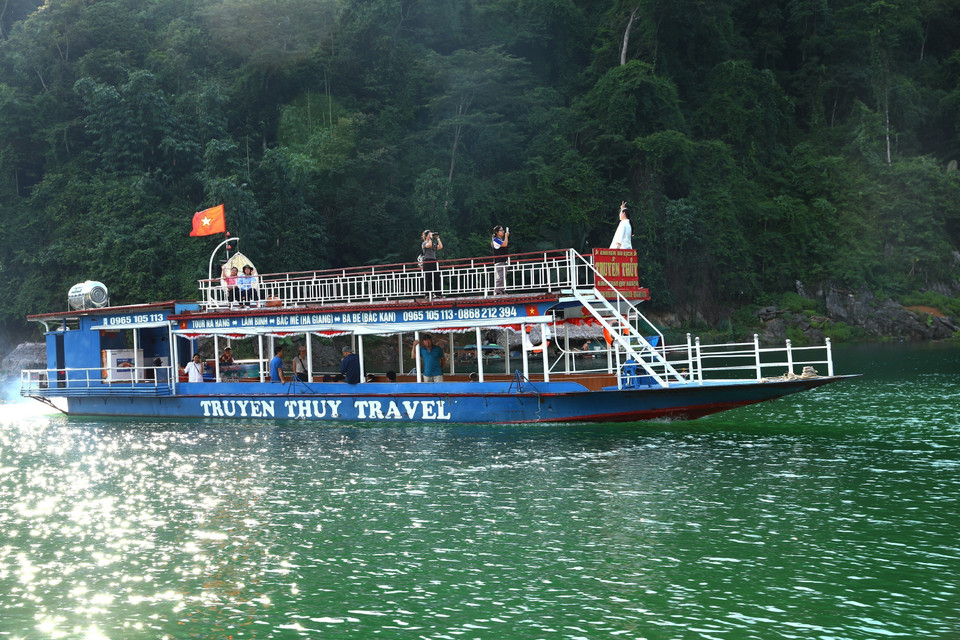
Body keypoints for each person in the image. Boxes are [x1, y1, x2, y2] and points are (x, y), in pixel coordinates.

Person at [420, 230, 443, 297]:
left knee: (436, 277)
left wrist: (438, 238)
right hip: (427, 261)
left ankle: (438, 294)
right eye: (430, 234)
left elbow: (440, 247)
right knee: (428, 278)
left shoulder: (432, 244)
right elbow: (429, 245)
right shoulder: (424, 243)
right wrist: (429, 238)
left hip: (434, 261)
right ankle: (428, 294)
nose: (431, 236)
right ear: (427, 236)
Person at [492, 225, 510, 295]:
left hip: (503, 261)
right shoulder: (496, 240)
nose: (503, 232)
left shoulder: (499, 240)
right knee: (500, 277)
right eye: (501, 230)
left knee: (503, 277)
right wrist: (506, 236)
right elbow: (505, 244)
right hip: (499, 262)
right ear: (497, 232)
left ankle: (501, 290)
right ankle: (497, 291)